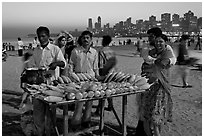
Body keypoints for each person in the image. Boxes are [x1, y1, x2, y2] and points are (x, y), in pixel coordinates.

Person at [24, 26, 66, 135]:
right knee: (38, 113)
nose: (41, 38)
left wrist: (56, 63)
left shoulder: (55, 49)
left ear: (48, 36)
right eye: (39, 36)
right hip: (39, 85)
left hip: (52, 85)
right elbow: (32, 65)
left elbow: (63, 63)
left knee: (50, 114)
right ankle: (39, 133)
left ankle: (49, 133)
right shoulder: (36, 50)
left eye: (43, 36)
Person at [136, 27, 176, 136]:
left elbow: (172, 60)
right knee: (145, 111)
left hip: (159, 84)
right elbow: (146, 58)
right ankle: (144, 132)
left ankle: (146, 133)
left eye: (151, 37)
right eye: (149, 37)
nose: (149, 39)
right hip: (147, 82)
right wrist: (155, 61)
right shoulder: (149, 48)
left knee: (155, 112)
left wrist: (167, 61)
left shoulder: (166, 48)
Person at [69, 30, 100, 130]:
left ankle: (86, 122)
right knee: (79, 101)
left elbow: (95, 67)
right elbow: (71, 64)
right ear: (81, 39)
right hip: (79, 80)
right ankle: (76, 123)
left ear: (91, 40)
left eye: (88, 38)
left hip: (91, 79)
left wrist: (98, 77)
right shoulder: (76, 51)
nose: (86, 40)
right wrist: (71, 75)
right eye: (84, 38)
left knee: (90, 101)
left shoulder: (94, 52)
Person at [94, 35, 117, 115]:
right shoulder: (111, 51)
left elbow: (100, 64)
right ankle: (110, 106)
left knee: (102, 91)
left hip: (105, 72)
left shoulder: (101, 51)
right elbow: (114, 62)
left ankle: (99, 109)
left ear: (103, 41)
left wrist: (99, 74)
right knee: (109, 89)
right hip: (112, 72)